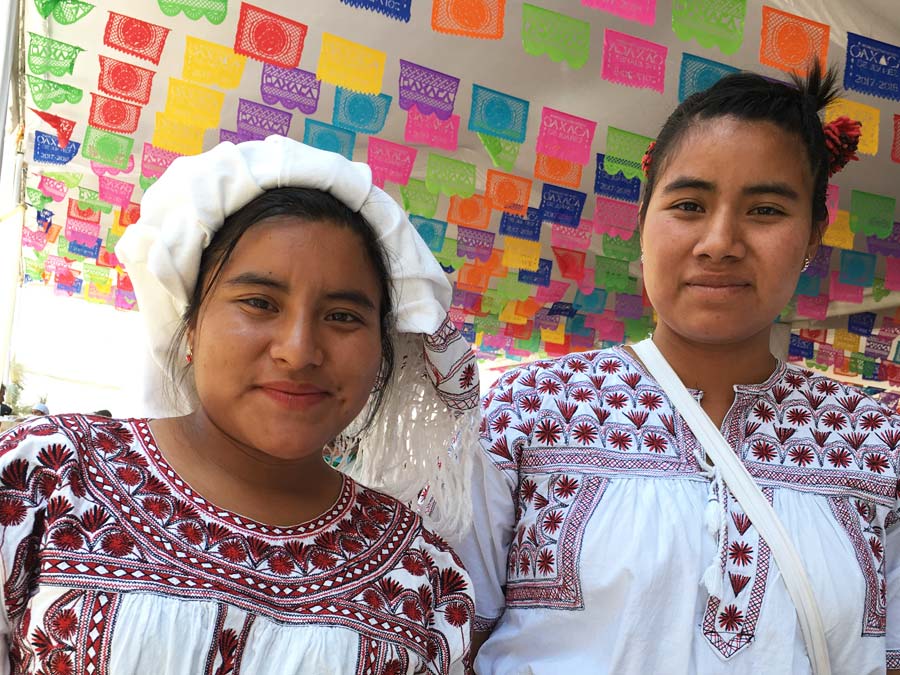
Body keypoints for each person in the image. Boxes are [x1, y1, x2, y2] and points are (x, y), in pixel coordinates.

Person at [457, 63, 899, 674]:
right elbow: (448, 636)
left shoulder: (877, 437)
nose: (719, 241)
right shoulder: (528, 409)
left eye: (766, 210)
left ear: (812, 238)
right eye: (689, 204)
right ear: (643, 224)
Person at [0, 137, 479, 674]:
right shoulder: (45, 474)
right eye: (259, 303)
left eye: (343, 316)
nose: (298, 351)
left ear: (382, 355)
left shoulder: (423, 576)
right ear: (192, 325)